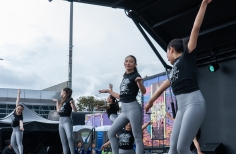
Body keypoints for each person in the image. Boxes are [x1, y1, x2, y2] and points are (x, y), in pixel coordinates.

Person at [145, 0, 211, 153]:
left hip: (194, 103)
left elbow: (195, 29)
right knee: (173, 149)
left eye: (167, 53)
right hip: (182, 108)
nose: (167, 57)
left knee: (182, 147)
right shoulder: (174, 69)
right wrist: (150, 101)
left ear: (171, 49)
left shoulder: (187, 56)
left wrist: (203, 4)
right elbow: (163, 86)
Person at [99, 55, 146, 154]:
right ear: (124, 63)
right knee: (111, 133)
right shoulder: (125, 77)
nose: (128, 63)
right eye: (126, 61)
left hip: (133, 109)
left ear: (135, 64)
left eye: (131, 61)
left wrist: (139, 82)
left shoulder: (136, 75)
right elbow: (121, 96)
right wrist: (108, 91)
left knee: (137, 137)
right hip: (124, 112)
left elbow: (143, 91)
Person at [52, 87, 77, 154]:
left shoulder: (70, 99)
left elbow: (75, 110)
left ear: (64, 92)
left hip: (67, 120)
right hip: (61, 121)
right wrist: (57, 102)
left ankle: (72, 152)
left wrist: (72, 104)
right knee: (63, 140)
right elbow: (58, 111)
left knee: (69, 137)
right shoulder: (62, 101)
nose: (60, 93)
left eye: (61, 91)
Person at [11, 89, 24, 154]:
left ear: (21, 111)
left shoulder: (20, 117)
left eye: (20, 110)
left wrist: (21, 127)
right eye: (18, 109)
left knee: (19, 143)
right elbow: (17, 101)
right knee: (13, 144)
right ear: (16, 108)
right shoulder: (15, 111)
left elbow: (21, 122)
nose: (19, 110)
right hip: (14, 130)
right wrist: (18, 93)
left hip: (18, 130)